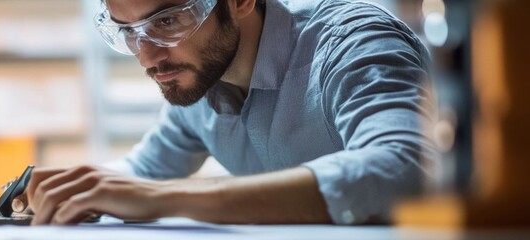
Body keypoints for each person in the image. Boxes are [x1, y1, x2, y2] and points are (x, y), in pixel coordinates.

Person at [26, 0, 437, 225]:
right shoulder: (199, 82)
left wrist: (165, 198)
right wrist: (70, 187)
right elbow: (143, 171)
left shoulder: (352, 44)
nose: (148, 56)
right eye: (129, 32)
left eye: (168, 20)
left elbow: (405, 166)